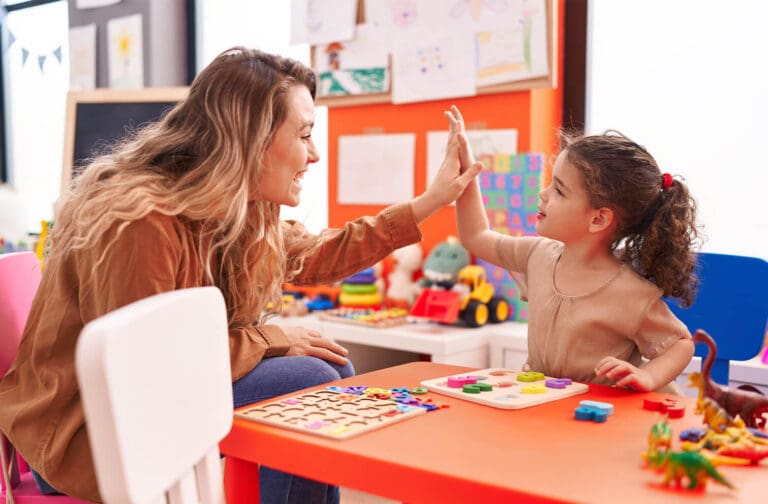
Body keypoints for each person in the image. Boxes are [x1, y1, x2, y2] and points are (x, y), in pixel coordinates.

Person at [0, 48, 480, 503]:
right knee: (308, 380)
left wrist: (429, 202)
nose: (314, 156)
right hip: (87, 433)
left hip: (146, 404)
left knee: (326, 371)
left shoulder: (239, 208)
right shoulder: (139, 220)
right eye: (305, 134)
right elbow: (143, 370)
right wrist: (270, 337)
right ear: (252, 140)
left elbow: (314, 254)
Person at [447, 105, 700, 394]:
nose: (543, 194)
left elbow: (680, 344)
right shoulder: (536, 255)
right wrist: (465, 170)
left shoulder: (631, 294)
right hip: (541, 404)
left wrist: (649, 377)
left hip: (599, 417)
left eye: (559, 190)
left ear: (598, 219)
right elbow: (476, 236)